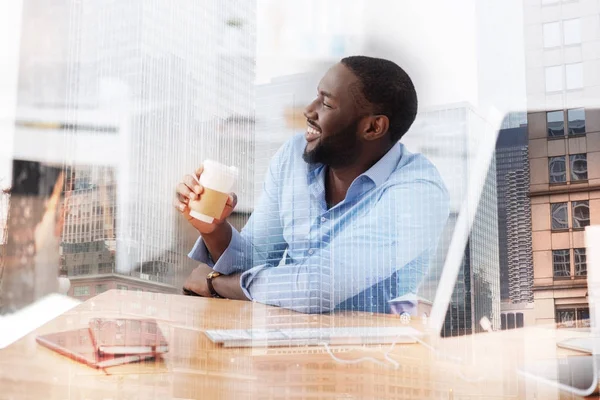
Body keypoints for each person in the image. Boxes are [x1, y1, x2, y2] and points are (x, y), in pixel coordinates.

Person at [175, 56, 449, 314]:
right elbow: (254, 259)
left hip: (374, 351)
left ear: (373, 128)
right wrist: (213, 229)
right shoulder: (295, 156)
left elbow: (318, 288)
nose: (309, 110)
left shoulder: (417, 192)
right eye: (317, 96)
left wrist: (216, 284)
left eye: (326, 104)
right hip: (289, 338)